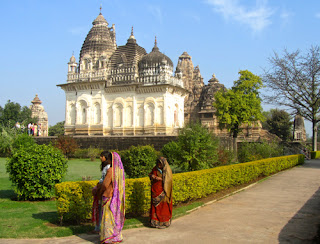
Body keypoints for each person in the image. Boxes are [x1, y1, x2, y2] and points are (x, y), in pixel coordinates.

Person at [92, 151, 125, 243]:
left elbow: (105, 184)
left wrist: (99, 190)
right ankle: (116, 235)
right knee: (114, 216)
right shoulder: (119, 170)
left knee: (107, 217)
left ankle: (109, 237)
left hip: (108, 195)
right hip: (116, 196)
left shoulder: (111, 170)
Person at [149, 157, 173, 229]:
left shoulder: (167, 170)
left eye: (160, 164)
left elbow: (168, 180)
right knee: (155, 207)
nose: (159, 165)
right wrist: (153, 176)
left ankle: (164, 222)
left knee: (163, 206)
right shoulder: (155, 169)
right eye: (158, 163)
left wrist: (161, 179)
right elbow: (150, 174)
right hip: (155, 190)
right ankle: (155, 222)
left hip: (163, 191)